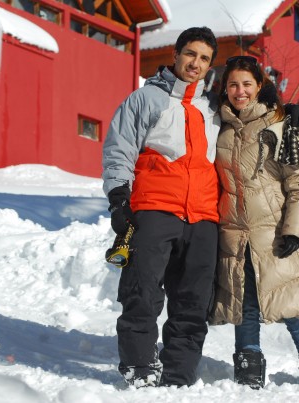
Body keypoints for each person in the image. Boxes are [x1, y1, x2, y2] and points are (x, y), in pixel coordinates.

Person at [101, 26, 221, 388]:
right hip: (155, 208)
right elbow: (119, 148)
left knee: (192, 301)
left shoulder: (215, 108)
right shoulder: (145, 99)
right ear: (176, 54)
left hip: (203, 217)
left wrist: (289, 109)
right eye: (190, 54)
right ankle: (139, 365)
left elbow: (257, 109)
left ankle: (179, 372)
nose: (195, 63)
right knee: (143, 290)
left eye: (204, 58)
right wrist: (119, 198)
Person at [209, 56, 299, 390]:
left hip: (274, 235)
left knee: (293, 307)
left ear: (259, 86)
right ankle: (248, 368)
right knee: (245, 306)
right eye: (233, 84)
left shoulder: (280, 127)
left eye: (247, 84)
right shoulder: (218, 127)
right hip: (234, 236)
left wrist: (293, 230)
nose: (240, 91)